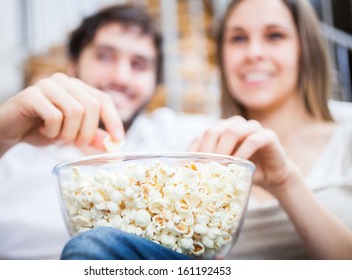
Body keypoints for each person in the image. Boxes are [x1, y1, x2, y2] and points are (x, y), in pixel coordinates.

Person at [60, 0, 352, 260]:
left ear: (307, 47)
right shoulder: (196, 138)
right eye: (238, 38)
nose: (253, 52)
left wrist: (286, 183)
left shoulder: (346, 134)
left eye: (274, 36)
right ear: (221, 55)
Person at [0, 4, 214, 259]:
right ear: (72, 67)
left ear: (154, 83)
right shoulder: (7, 153)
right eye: (104, 56)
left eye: (139, 64)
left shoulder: (178, 137)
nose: (121, 77)